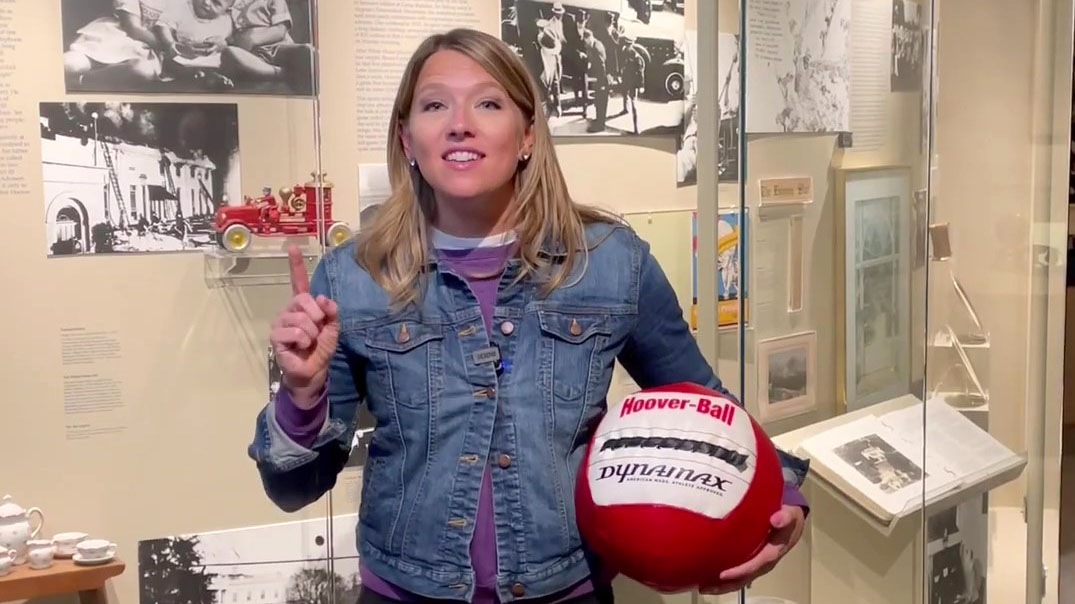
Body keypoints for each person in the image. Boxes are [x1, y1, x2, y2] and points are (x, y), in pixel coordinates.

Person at [248, 27, 809, 604]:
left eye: (488, 103)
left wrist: (782, 495)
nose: (459, 122)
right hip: (404, 592)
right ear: (407, 138)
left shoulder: (612, 261)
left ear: (527, 137)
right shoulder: (353, 276)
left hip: (569, 592)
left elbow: (707, 406)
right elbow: (293, 488)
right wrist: (301, 397)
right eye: (434, 104)